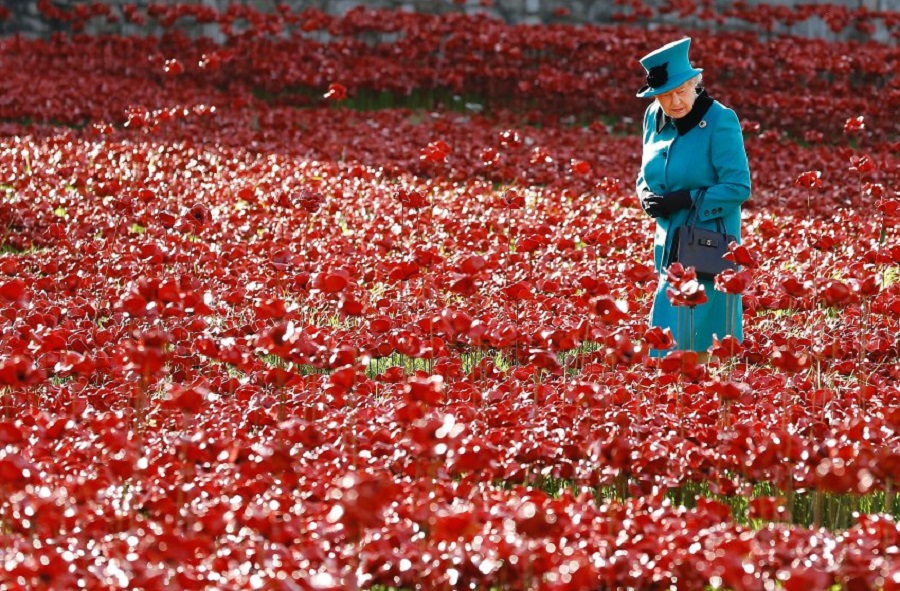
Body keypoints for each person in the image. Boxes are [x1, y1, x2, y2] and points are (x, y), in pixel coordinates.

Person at [634, 37, 751, 358]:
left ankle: (699, 400)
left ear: (694, 84)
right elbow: (646, 172)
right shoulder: (652, 118)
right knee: (669, 335)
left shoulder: (720, 120)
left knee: (700, 337)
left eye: (681, 91)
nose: (674, 102)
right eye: (664, 95)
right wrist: (645, 194)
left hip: (708, 244)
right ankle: (674, 402)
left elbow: (739, 186)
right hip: (669, 242)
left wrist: (687, 199)